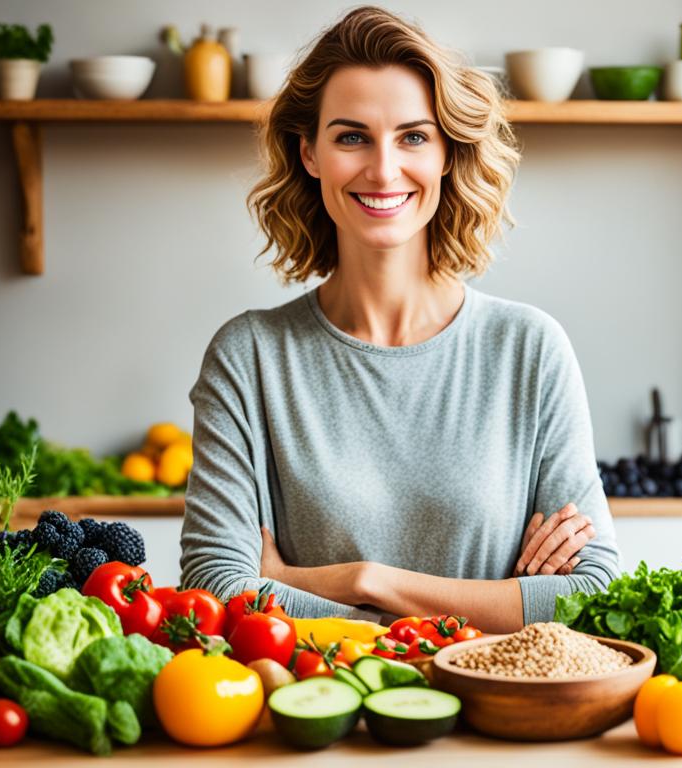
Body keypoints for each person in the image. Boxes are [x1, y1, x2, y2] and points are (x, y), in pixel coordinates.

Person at [179, 6, 619, 632]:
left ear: (445, 154)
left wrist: (347, 581)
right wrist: (495, 603)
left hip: (497, 715)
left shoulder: (530, 350)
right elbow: (214, 588)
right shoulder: (249, 356)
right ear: (310, 153)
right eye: (351, 136)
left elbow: (592, 594)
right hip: (316, 717)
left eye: (413, 136)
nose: (383, 169)